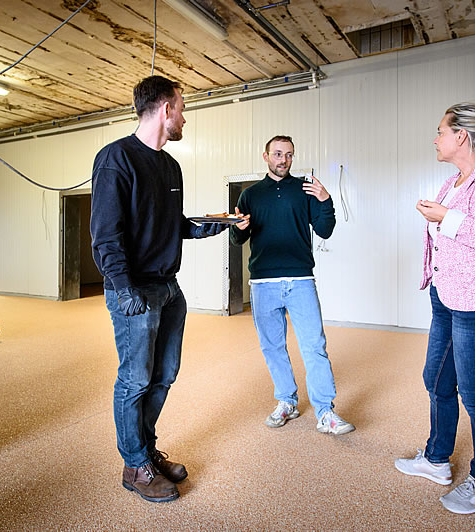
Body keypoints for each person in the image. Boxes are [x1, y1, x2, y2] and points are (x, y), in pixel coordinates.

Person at [90, 75, 227, 503]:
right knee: (134, 381)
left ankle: (145, 451)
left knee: (164, 375)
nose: (184, 117)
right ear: (165, 109)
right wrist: (123, 288)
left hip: (169, 290)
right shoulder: (116, 159)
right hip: (134, 291)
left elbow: (172, 224)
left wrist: (211, 226)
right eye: (182, 108)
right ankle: (135, 465)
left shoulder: (170, 166)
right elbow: (105, 235)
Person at [395, 103, 475, 514]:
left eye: (440, 131)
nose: (435, 139)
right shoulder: (453, 181)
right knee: (436, 378)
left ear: (461, 136)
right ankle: (436, 460)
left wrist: (447, 217)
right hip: (448, 296)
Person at [230, 135, 355, 435]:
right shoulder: (250, 195)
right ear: (265, 156)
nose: (283, 160)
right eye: (277, 154)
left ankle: (325, 412)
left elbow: (325, 229)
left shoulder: (304, 191)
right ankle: (286, 401)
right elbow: (237, 239)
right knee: (273, 347)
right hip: (262, 283)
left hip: (300, 280)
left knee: (314, 346)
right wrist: (238, 228)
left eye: (288, 155)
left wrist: (325, 200)